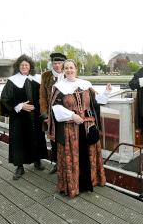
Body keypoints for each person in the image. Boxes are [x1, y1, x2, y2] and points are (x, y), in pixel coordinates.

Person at [47, 59, 111, 198]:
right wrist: (71, 115)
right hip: (70, 129)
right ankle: (74, 187)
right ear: (64, 71)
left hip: (87, 126)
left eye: (71, 68)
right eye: (66, 68)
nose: (69, 71)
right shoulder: (58, 87)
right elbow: (55, 108)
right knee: (73, 156)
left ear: (76, 69)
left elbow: (97, 101)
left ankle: (90, 182)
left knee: (89, 155)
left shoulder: (85, 85)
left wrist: (106, 91)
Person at [0, 55, 48, 180]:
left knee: (37, 137)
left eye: (27, 65)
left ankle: (37, 160)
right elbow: (5, 99)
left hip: (36, 116)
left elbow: (44, 96)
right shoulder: (12, 81)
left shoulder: (38, 79)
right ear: (18, 67)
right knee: (19, 141)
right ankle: (19, 167)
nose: (24, 67)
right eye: (22, 65)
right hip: (19, 117)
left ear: (30, 66)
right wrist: (20, 106)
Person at [40, 52, 67, 175]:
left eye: (59, 63)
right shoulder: (45, 76)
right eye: (55, 63)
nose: (57, 66)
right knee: (54, 140)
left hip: (67, 113)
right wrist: (45, 114)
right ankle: (57, 163)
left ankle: (67, 162)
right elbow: (42, 96)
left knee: (66, 138)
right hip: (52, 114)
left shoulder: (69, 74)